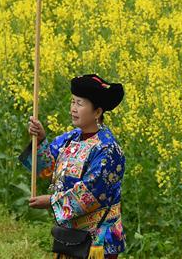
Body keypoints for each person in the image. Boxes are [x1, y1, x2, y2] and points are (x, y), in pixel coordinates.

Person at [23, 74, 126, 259]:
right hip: (70, 238)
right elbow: (46, 170)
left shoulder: (108, 149)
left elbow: (90, 193)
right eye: (72, 102)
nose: (73, 109)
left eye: (80, 104)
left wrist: (52, 201)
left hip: (98, 241)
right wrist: (39, 140)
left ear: (97, 112)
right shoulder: (70, 139)